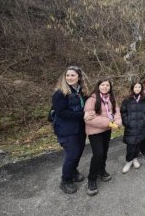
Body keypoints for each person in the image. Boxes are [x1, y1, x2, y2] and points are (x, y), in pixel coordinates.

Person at [51, 66, 90, 194]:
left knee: (78, 152)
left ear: (79, 77)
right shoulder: (60, 93)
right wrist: (82, 115)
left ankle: (73, 171)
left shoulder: (81, 91)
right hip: (66, 130)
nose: (70, 78)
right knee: (72, 154)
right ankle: (65, 180)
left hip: (79, 128)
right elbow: (62, 113)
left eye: (73, 75)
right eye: (67, 75)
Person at [83, 78, 122, 196]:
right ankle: (91, 179)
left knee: (104, 152)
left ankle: (101, 170)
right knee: (98, 154)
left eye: (107, 85)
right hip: (95, 131)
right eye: (103, 85)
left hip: (106, 131)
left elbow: (116, 112)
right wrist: (109, 123)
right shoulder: (92, 100)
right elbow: (90, 119)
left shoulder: (111, 98)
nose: (105, 87)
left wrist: (117, 122)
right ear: (98, 86)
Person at [121, 81, 145, 174]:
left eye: (139, 87)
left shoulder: (144, 99)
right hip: (130, 126)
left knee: (138, 144)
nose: (137, 89)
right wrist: (126, 122)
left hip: (141, 126)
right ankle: (128, 161)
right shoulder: (127, 99)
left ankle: (135, 159)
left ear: (141, 88)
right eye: (135, 87)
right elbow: (123, 112)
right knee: (130, 146)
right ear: (132, 88)